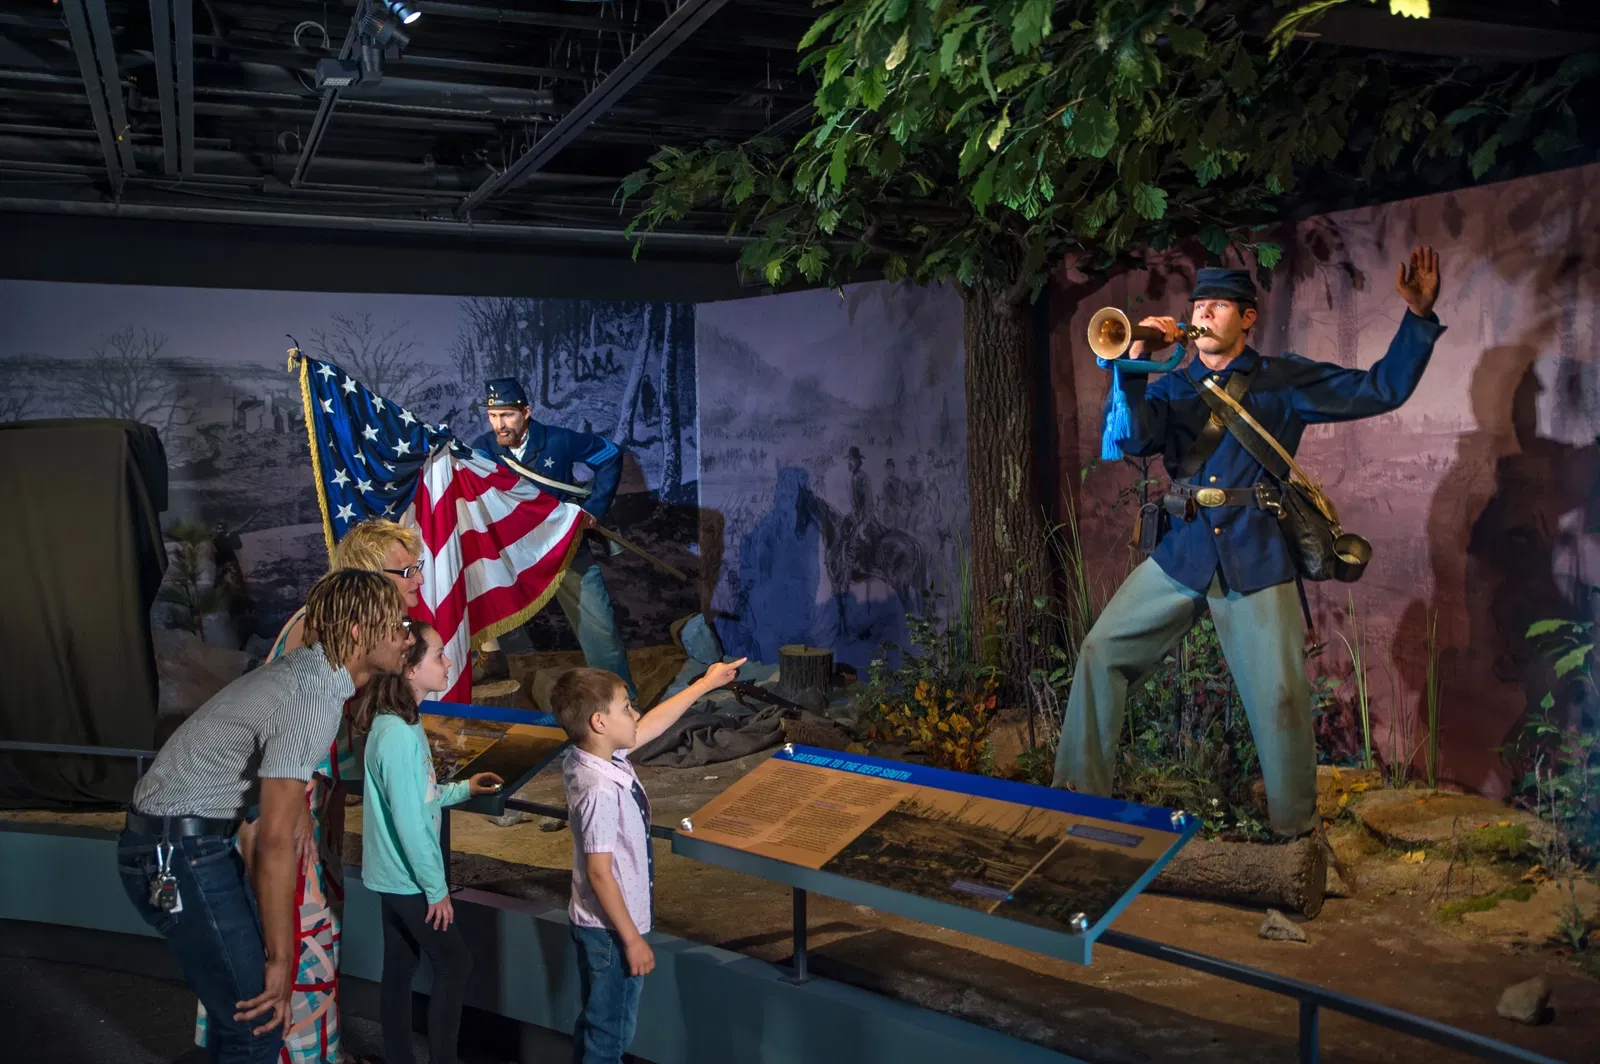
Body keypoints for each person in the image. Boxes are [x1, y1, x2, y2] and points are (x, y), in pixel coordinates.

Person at [1052, 248, 1445, 838]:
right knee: (1101, 653)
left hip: (1255, 552)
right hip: (1184, 550)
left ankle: (1295, 834)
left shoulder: (1282, 379)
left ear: (1247, 318)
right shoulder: (1173, 384)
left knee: (1281, 697)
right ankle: (1076, 808)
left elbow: (1378, 389)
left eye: (1218, 306)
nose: (1204, 315)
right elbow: (1132, 441)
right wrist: (1133, 363)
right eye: (1198, 306)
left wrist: (1417, 317)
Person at [119, 570, 413, 1064]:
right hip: (179, 851)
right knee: (258, 1023)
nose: (407, 637)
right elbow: (276, 838)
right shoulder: (315, 695)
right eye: (397, 626)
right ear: (359, 633)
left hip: (181, 842)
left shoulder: (308, 674)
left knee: (241, 1018)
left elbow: (262, 810)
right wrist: (281, 959)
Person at [197, 518, 426, 1063]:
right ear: (368, 575)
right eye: (406, 570)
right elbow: (282, 725)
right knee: (298, 934)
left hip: (314, 804)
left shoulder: (362, 629)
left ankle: (321, 1051)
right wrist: (297, 808)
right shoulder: (317, 628)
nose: (418, 579)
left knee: (320, 933)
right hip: (282, 803)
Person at [551, 657, 746, 1064]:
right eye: (626, 708)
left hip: (599, 928)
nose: (636, 715)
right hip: (611, 933)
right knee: (610, 1036)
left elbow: (651, 726)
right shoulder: (600, 789)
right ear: (600, 722)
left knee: (596, 1024)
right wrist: (633, 940)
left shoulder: (591, 757)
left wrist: (705, 684)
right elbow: (600, 873)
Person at [357, 620, 502, 1064]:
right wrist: (436, 890)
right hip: (409, 880)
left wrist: (463, 789)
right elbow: (410, 824)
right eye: (438, 655)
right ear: (409, 668)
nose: (449, 662)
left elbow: (420, 797)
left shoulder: (401, 723)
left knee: (400, 968)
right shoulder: (399, 734)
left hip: (394, 875)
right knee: (455, 964)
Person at [469, 377, 635, 698]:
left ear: (526, 412)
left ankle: (621, 701)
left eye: (507, 415)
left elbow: (610, 454)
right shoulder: (484, 448)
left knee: (599, 628)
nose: (500, 425)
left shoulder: (558, 440)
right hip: (514, 551)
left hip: (562, 546)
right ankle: (491, 658)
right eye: (493, 416)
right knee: (470, 579)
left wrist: (594, 509)